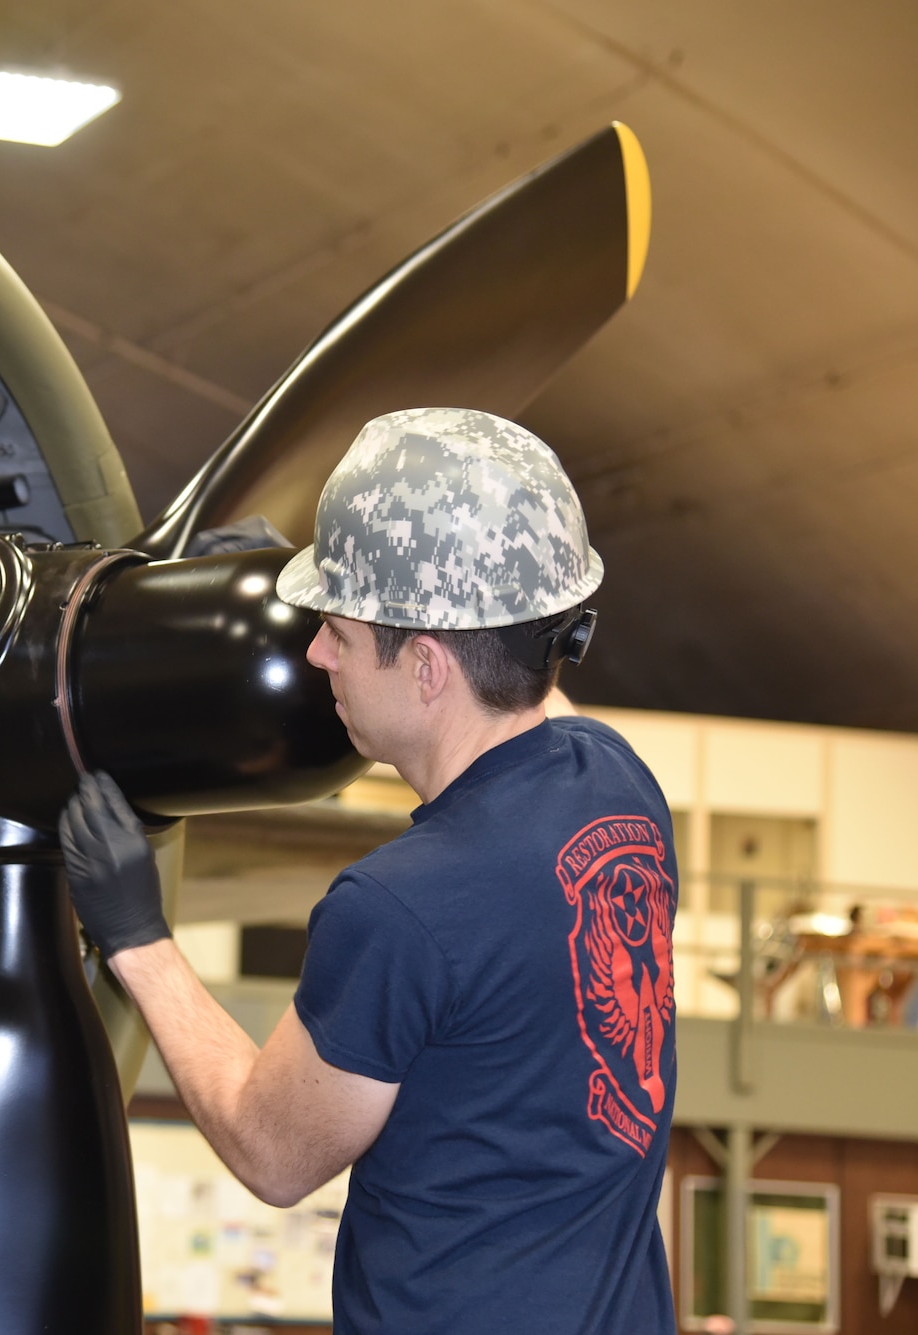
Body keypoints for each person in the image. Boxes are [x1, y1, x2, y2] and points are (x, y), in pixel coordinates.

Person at [60, 407, 678, 1333]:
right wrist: (355, 559)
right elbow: (521, 666)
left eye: (336, 632)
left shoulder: (400, 907)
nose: (314, 653)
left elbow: (273, 1151)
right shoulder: (621, 788)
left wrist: (136, 936)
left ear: (427, 667)